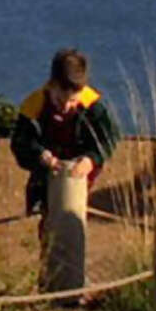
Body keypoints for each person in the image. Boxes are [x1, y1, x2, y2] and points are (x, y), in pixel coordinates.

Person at [12, 49, 120, 212]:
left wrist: (92, 159)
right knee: (43, 214)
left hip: (82, 176)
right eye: (59, 100)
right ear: (51, 86)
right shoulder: (34, 104)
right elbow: (20, 141)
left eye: (73, 101)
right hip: (44, 176)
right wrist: (40, 155)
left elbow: (109, 138)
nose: (66, 107)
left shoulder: (92, 106)